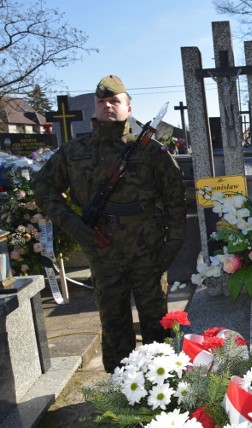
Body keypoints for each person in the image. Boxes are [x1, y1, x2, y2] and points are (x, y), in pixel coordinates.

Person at [32, 75, 186, 372]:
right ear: (94, 108)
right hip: (103, 251)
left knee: (156, 322)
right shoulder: (74, 151)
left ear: (129, 107)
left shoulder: (151, 151)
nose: (108, 106)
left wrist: (174, 243)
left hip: (148, 249)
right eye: (102, 102)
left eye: (115, 101)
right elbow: (43, 188)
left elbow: (175, 199)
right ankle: (121, 388)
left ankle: (165, 384)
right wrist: (74, 226)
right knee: (113, 323)